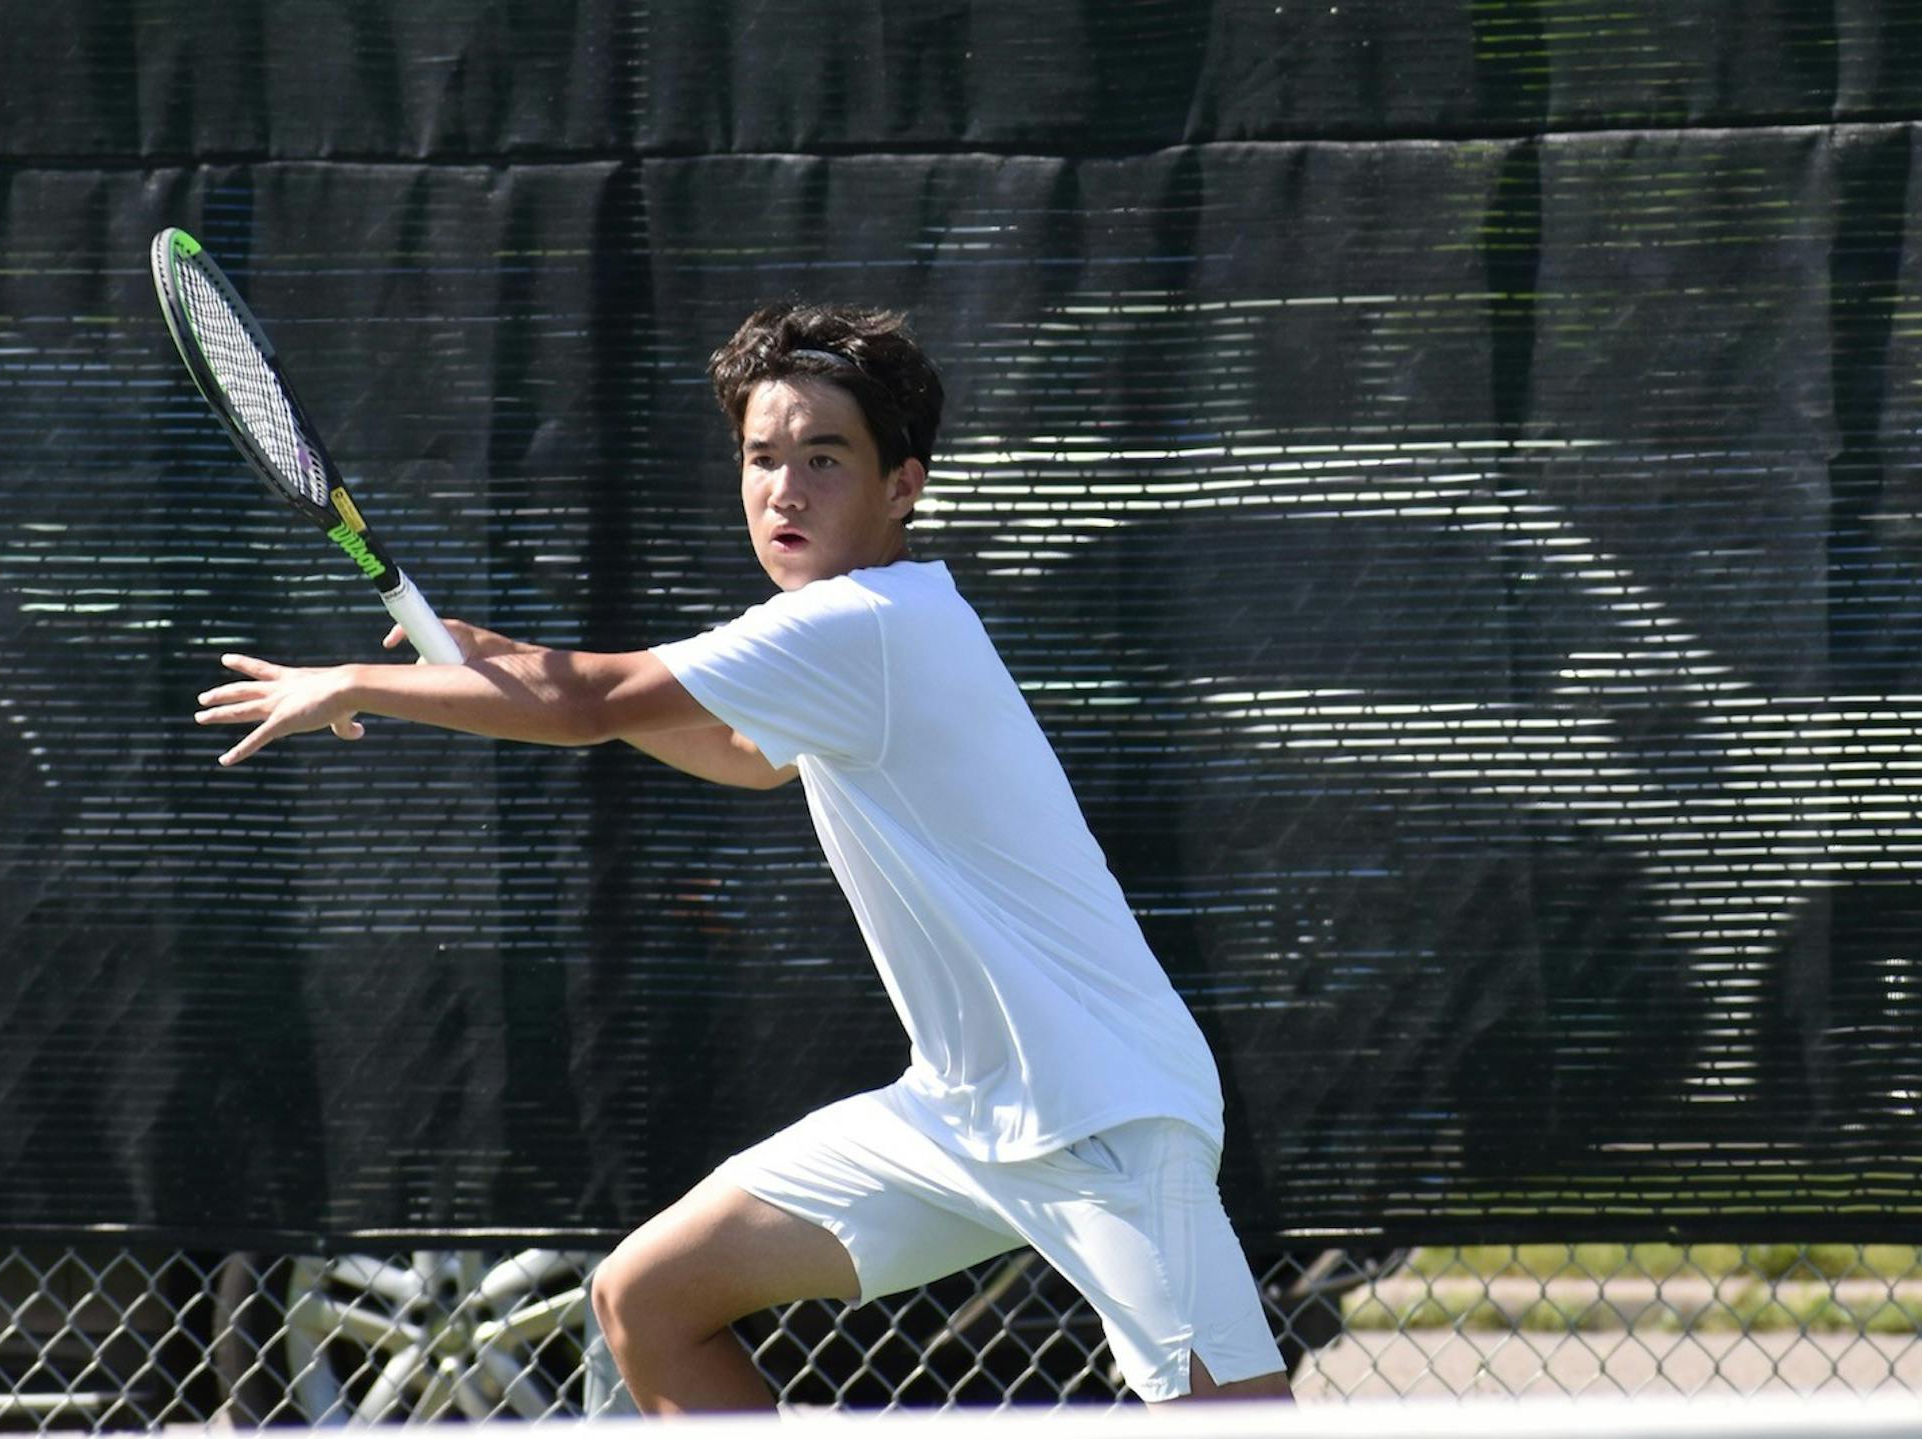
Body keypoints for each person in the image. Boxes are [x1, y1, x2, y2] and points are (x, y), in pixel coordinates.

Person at [194, 302, 1292, 1411]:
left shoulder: (868, 619)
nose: (785, 489)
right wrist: (500, 659)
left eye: (825, 459)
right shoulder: (855, 628)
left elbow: (596, 702)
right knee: (649, 1297)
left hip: (1103, 1111)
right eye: (763, 458)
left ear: (901, 485)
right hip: (960, 1113)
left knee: (1240, 1427)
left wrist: (358, 683)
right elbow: (736, 748)